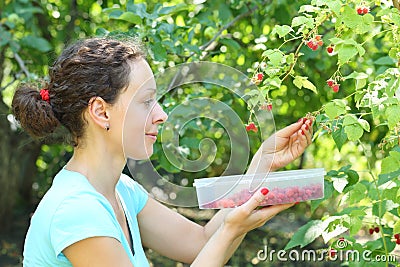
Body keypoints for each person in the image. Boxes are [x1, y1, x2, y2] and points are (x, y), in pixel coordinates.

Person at [12, 37, 313, 267]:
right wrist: (231, 230)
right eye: (146, 101)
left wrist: (260, 167)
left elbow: (199, 242)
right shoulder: (76, 211)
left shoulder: (122, 191)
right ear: (101, 112)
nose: (162, 115)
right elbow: (214, 241)